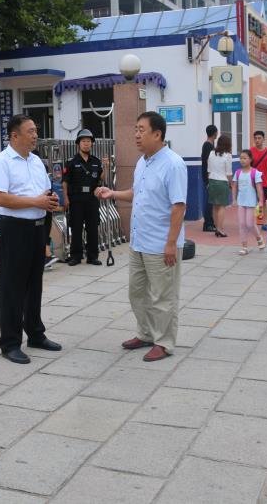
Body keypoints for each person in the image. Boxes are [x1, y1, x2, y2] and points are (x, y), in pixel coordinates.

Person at [95, 111, 187, 362]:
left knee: (162, 296)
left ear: (157, 134)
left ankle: (164, 342)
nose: (136, 134)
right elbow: (138, 193)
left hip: (161, 243)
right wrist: (112, 193)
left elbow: (179, 206)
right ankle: (146, 333)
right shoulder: (142, 162)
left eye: (141, 130)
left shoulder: (173, 164)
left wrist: (171, 243)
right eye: (135, 129)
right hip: (139, 241)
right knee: (137, 293)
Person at [0, 114, 62, 364]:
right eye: (30, 131)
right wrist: (36, 201)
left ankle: (35, 334)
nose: (35, 135)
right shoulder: (1, 162)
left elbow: (42, 192)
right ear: (15, 135)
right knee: (12, 287)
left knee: (34, 284)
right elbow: (1, 198)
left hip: (38, 227)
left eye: (35, 130)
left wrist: (49, 199)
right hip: (14, 229)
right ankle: (10, 343)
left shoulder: (36, 161)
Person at [63, 128, 102, 266]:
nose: (86, 143)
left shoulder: (96, 161)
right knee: (76, 227)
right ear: (78, 143)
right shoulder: (71, 162)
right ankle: (76, 256)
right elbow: (65, 182)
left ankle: (92, 256)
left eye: (88, 141)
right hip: (76, 199)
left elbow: (101, 179)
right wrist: (65, 198)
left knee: (92, 228)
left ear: (92, 143)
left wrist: (106, 167)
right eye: (83, 141)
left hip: (91, 199)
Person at [231, 149, 265, 255]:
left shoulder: (255, 173)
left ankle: (259, 238)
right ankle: (244, 247)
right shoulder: (237, 173)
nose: (242, 160)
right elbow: (234, 187)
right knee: (242, 224)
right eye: (241, 158)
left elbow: (259, 188)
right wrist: (234, 199)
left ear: (250, 159)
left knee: (250, 224)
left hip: (251, 202)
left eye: (245, 158)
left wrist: (261, 201)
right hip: (241, 202)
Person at [207, 134, 233, 238]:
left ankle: (216, 227)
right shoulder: (227, 155)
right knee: (222, 206)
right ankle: (220, 229)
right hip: (222, 182)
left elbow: (209, 170)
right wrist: (231, 184)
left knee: (215, 206)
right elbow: (229, 173)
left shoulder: (211, 153)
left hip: (212, 181)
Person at [250, 131, 267, 228]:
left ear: (263, 139)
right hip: (252, 181)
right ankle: (257, 221)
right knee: (253, 202)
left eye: (259, 138)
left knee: (263, 202)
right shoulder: (251, 151)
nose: (257, 140)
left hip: (263, 182)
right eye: (255, 138)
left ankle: (263, 223)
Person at [201, 125, 218, 232]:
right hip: (209, 177)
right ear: (215, 133)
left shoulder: (210, 145)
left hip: (210, 176)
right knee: (209, 201)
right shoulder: (207, 146)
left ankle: (211, 222)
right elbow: (208, 163)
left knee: (211, 201)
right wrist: (208, 180)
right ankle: (207, 224)